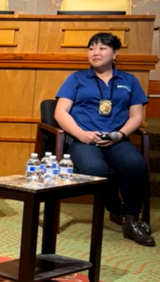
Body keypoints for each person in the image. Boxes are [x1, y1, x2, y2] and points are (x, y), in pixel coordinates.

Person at [54, 32, 154, 247]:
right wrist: (82, 134)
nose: (95, 53)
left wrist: (121, 134)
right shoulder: (76, 78)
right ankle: (118, 211)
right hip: (83, 139)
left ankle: (131, 220)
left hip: (116, 138)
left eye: (102, 48)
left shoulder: (129, 81)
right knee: (96, 171)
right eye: (91, 48)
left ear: (115, 53)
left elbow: (137, 116)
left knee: (136, 165)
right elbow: (60, 112)